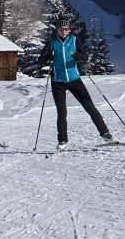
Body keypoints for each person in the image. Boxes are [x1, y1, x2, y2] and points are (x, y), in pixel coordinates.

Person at [38, 20, 112, 151]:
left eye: (66, 29)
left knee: (89, 106)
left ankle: (105, 133)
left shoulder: (73, 40)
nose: (64, 31)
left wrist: (77, 56)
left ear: (69, 30)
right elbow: (41, 60)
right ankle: (62, 141)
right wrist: (48, 57)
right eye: (62, 29)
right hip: (58, 82)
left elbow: (84, 56)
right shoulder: (52, 42)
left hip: (74, 79)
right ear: (57, 30)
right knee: (62, 112)